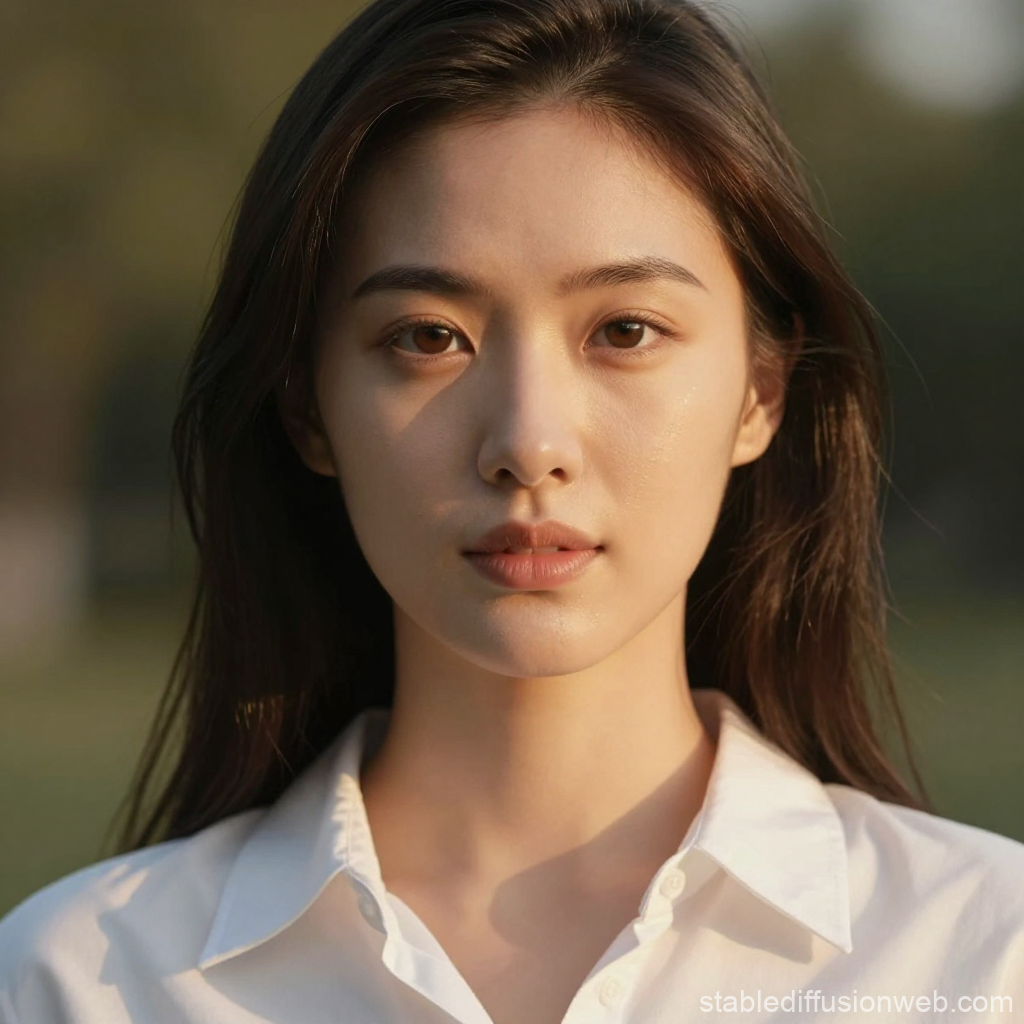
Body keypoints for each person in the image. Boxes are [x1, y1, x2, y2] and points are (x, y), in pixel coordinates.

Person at [2, 0, 1023, 1020]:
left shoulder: (980, 955)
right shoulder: (85, 979)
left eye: (625, 329)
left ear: (760, 389)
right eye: (426, 337)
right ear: (307, 408)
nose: (528, 441)